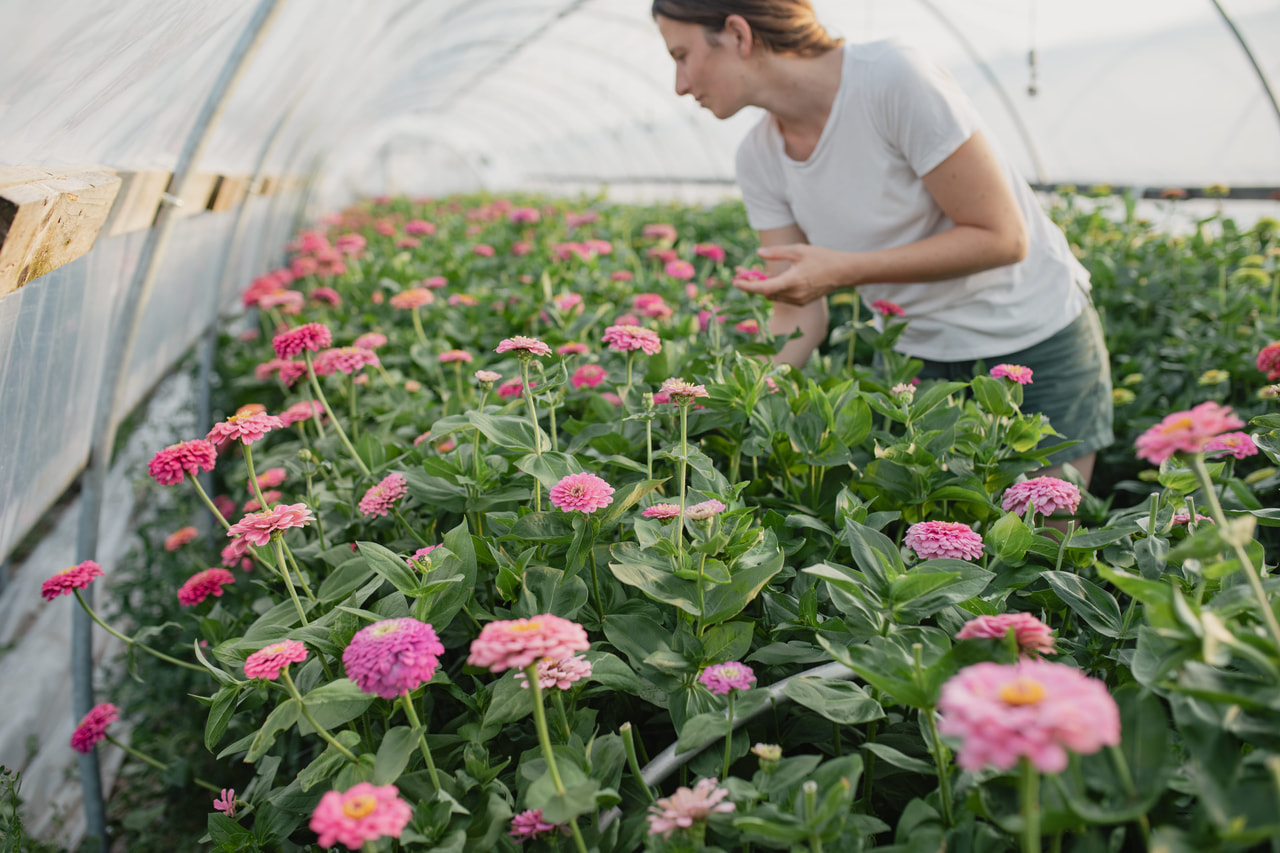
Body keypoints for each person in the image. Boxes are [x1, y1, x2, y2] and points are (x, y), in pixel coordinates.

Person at [653, 0, 1113, 486]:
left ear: (738, 35)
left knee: (1039, 548)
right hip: (915, 364)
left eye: (681, 56)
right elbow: (798, 315)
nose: (680, 85)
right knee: (933, 545)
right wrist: (721, 409)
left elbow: (1002, 237)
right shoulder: (760, 158)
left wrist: (845, 269)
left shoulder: (891, 78)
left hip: (1034, 345)